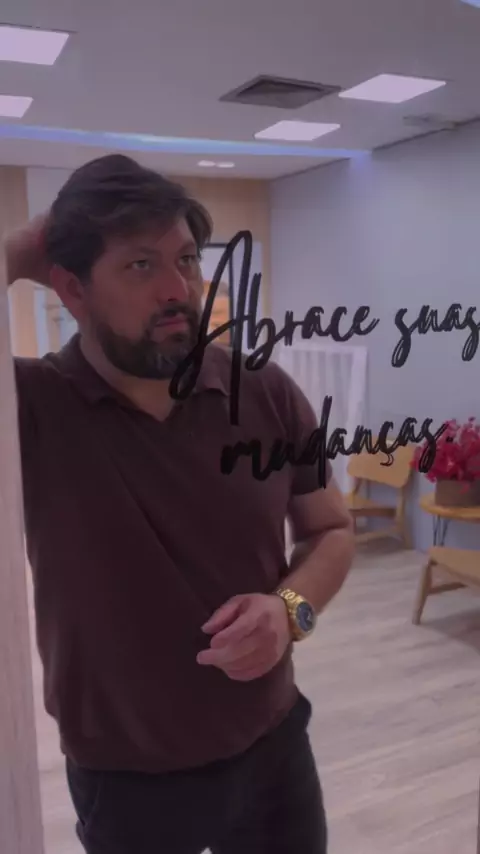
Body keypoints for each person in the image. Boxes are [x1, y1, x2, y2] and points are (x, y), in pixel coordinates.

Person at [4, 154, 354, 854]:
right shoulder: (27, 409)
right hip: (126, 780)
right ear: (71, 288)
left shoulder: (265, 391)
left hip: (273, 748)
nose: (179, 289)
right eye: (140, 265)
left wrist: (289, 611)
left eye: (187, 260)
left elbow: (331, 529)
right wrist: (14, 252)